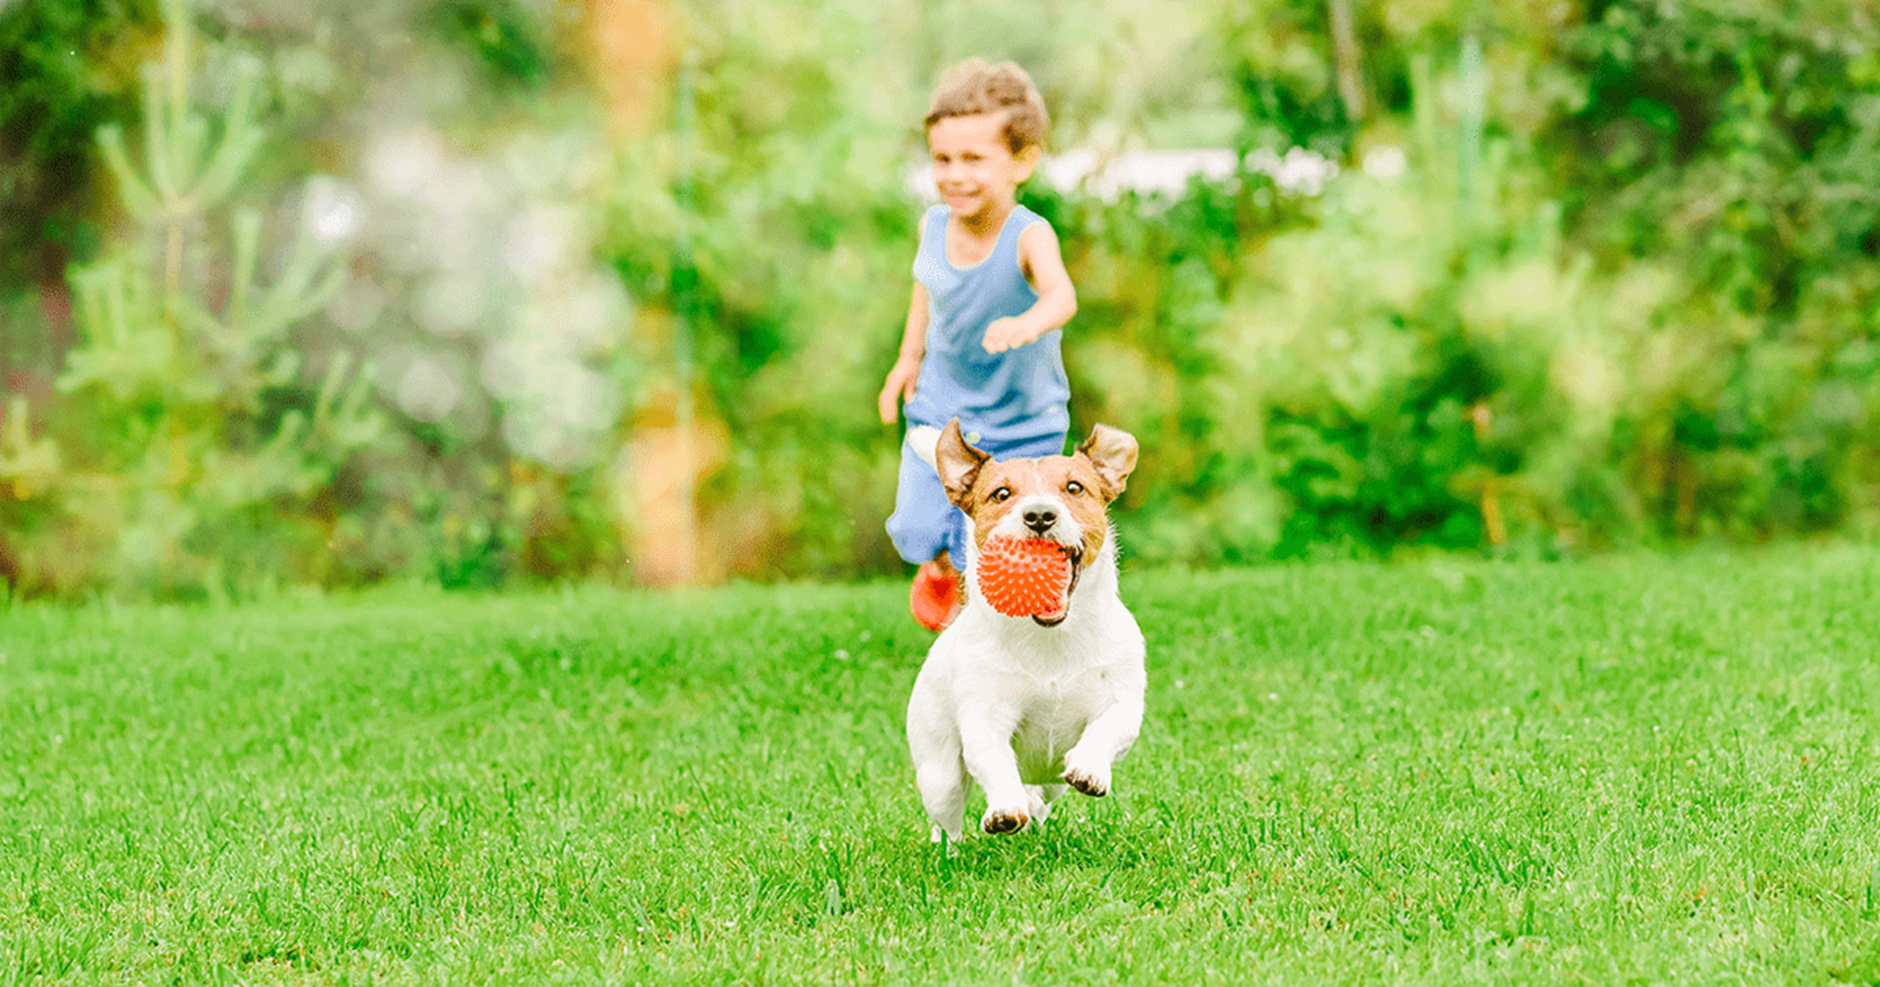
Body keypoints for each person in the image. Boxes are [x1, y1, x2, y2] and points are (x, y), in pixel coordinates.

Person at [878, 58, 1078, 631]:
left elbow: (1062, 296)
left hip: (1023, 423)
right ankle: (938, 565)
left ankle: (983, 636)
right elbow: (926, 288)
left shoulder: (1029, 234)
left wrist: (1030, 323)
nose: (954, 175)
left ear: (1022, 161)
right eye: (942, 159)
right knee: (914, 531)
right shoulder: (933, 225)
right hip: (943, 411)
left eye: (973, 159)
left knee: (993, 553)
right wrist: (906, 360)